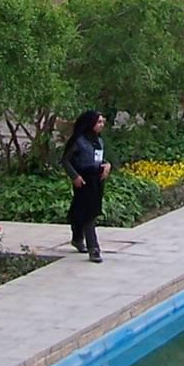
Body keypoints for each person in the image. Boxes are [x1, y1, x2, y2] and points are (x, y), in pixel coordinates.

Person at [61, 110, 111, 262]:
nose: (101, 125)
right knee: (89, 214)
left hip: (97, 180)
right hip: (83, 180)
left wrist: (107, 165)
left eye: (103, 122)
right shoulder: (78, 141)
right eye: (98, 122)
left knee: (82, 210)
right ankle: (93, 248)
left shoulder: (98, 141)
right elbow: (65, 160)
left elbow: (99, 158)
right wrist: (74, 176)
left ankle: (77, 238)